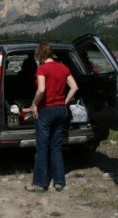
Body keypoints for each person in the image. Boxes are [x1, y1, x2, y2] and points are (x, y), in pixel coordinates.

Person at [24, 43, 78, 192]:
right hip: (60, 110)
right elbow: (74, 87)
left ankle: (40, 183)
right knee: (56, 147)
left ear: (40, 55)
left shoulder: (42, 69)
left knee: (42, 148)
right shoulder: (63, 68)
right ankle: (59, 181)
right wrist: (64, 102)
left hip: (45, 110)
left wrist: (34, 104)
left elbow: (41, 89)